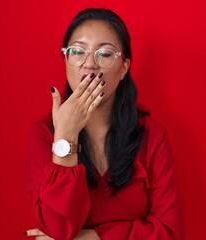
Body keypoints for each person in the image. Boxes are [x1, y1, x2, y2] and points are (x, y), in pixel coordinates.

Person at [24, 8, 184, 240]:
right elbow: (57, 229)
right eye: (77, 51)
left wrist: (93, 237)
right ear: (66, 59)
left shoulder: (151, 135)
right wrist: (66, 138)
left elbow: (170, 233)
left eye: (105, 54)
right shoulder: (41, 135)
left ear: (124, 68)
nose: (89, 64)